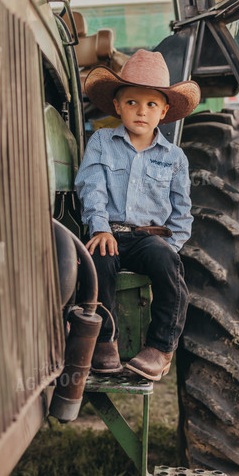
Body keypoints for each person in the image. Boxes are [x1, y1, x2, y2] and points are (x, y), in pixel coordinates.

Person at [74, 49, 201, 381]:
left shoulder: (175, 158)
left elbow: (182, 210)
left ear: (164, 111)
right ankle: (104, 343)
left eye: (150, 105)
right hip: (110, 232)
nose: (140, 111)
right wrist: (99, 227)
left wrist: (170, 248)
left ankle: (159, 349)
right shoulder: (102, 141)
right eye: (131, 102)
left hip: (149, 238)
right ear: (117, 106)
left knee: (169, 269)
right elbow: (92, 187)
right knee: (97, 262)